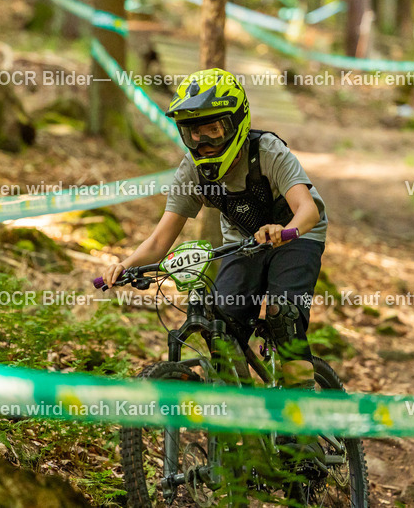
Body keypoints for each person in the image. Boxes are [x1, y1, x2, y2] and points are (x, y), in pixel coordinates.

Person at [102, 68, 328, 389]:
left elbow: (308, 210)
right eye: (193, 132)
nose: (203, 142)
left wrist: (285, 231)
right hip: (243, 242)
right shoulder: (191, 172)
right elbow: (159, 239)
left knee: (284, 314)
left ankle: (300, 425)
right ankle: (243, 415)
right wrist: (124, 266)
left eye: (213, 129)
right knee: (222, 321)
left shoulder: (268, 152)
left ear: (237, 122)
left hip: (297, 235)